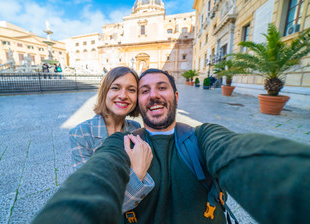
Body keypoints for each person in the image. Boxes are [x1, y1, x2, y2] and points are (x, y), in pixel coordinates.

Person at [33, 68, 310, 224]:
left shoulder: (203, 136)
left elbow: (237, 152)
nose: (153, 94)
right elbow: (96, 179)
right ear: (139, 105)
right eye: (144, 90)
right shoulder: (124, 141)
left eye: (161, 87)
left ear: (176, 96)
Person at [68, 66, 154, 213]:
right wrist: (138, 174)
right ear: (105, 92)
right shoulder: (80, 133)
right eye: (115, 87)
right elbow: (92, 201)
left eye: (131, 90)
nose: (123, 95)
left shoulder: (135, 128)